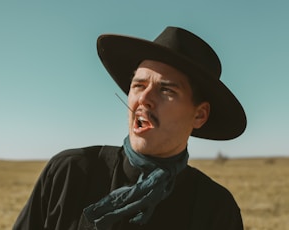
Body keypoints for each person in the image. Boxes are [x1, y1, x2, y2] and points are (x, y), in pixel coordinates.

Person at [13, 26, 247, 230]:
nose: (144, 98)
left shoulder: (215, 208)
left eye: (167, 90)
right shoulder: (69, 173)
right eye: (138, 85)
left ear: (199, 114)